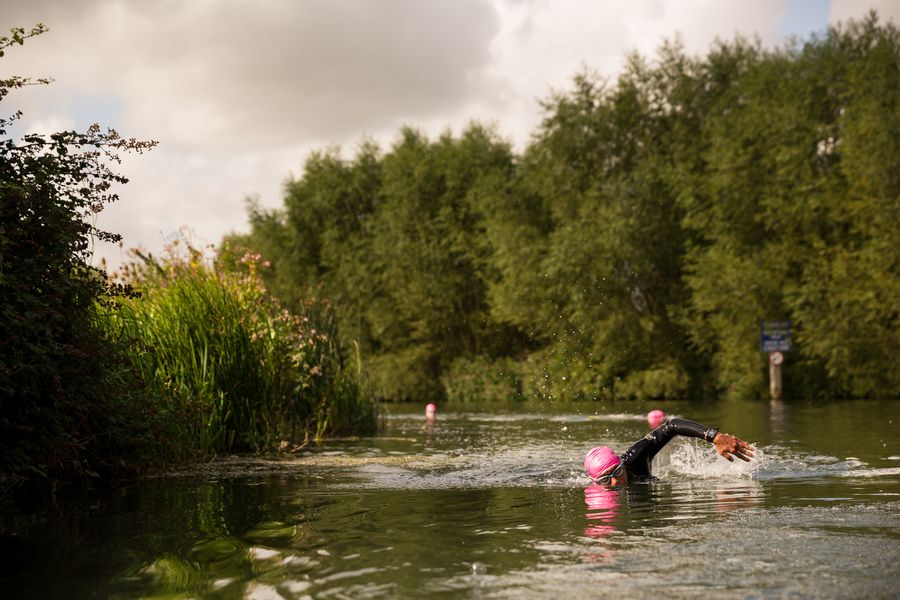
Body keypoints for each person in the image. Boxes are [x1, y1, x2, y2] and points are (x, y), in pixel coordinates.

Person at [584, 417, 755, 485]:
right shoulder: (597, 498)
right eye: (605, 480)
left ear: (621, 464)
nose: (615, 482)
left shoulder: (635, 458)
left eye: (618, 471)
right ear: (595, 482)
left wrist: (714, 436)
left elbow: (670, 426)